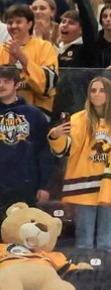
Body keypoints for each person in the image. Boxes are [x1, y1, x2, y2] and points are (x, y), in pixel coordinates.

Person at [0, 64, 53, 229]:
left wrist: (45, 185)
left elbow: (44, 152)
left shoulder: (34, 114)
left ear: (16, 85)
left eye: (6, 81)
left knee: (23, 235)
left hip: (25, 186)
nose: (0, 85)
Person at [48, 75, 111, 249]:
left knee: (107, 241)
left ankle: (106, 275)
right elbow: (67, 149)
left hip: (109, 187)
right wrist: (56, 136)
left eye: (102, 90)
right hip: (85, 188)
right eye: (93, 90)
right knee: (84, 241)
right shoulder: (78, 119)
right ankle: (85, 274)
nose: (97, 94)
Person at [0, 3, 59, 114]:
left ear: (29, 24)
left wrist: (22, 58)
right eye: (10, 23)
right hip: (2, 113)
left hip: (38, 112)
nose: (13, 26)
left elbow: (48, 86)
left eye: (18, 22)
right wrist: (9, 66)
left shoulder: (45, 47)